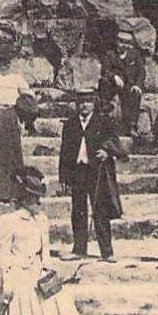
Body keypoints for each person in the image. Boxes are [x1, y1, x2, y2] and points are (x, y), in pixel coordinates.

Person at [0, 168, 91, 315]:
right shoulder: (8, 221)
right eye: (33, 198)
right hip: (18, 272)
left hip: (38, 271)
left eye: (38, 198)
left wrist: (52, 271)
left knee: (57, 304)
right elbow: (1, 255)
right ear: (22, 197)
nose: (37, 202)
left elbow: (45, 252)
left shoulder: (42, 219)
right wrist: (5, 280)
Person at [58, 90, 125, 259]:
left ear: (94, 103)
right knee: (78, 210)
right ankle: (79, 249)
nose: (84, 105)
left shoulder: (103, 121)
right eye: (80, 102)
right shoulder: (71, 124)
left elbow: (114, 141)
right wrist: (64, 176)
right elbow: (64, 152)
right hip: (77, 171)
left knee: (100, 210)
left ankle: (107, 252)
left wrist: (107, 152)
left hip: (97, 171)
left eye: (88, 102)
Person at [0, 51, 36, 204]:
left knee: (12, 152)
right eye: (1, 62)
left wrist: (24, 110)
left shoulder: (16, 78)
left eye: (6, 62)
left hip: (11, 115)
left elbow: (29, 96)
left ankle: (15, 191)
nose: (4, 65)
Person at [100, 26, 147, 136]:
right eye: (121, 42)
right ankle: (106, 124)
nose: (124, 45)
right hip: (113, 85)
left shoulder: (134, 54)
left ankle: (132, 126)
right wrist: (114, 77)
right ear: (117, 42)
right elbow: (105, 70)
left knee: (135, 94)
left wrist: (137, 85)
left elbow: (141, 71)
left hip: (129, 85)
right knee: (105, 83)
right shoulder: (110, 54)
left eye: (127, 43)